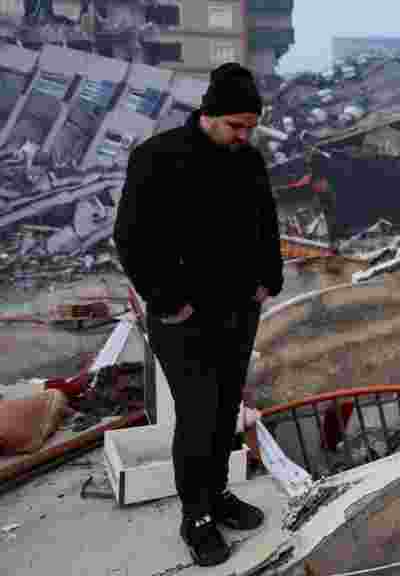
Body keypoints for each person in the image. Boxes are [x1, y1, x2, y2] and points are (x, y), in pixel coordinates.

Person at [113, 62, 283, 567]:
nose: (243, 135)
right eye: (235, 125)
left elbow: (266, 222)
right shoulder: (158, 158)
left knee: (226, 409)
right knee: (198, 414)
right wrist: (167, 300)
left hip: (237, 309)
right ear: (208, 114)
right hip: (183, 317)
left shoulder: (247, 160)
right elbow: (131, 238)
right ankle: (197, 516)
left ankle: (218, 497)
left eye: (250, 126)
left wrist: (266, 280)